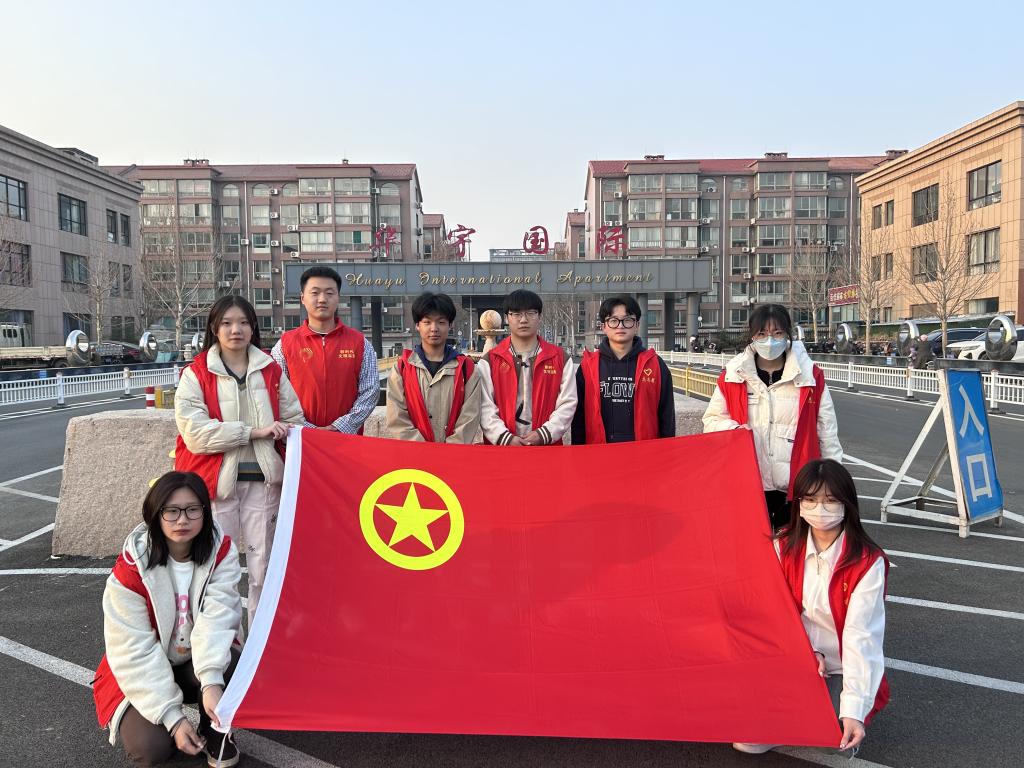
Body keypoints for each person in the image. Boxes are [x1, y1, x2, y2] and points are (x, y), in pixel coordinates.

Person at [733, 459, 888, 756]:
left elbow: (861, 638)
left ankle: (798, 716)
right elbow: (769, 614)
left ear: (847, 504)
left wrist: (853, 711)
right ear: (799, 504)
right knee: (744, 737)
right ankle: (781, 719)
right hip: (791, 657)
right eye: (811, 499)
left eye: (830, 500)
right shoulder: (782, 546)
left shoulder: (867, 563)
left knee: (834, 740)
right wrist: (805, 651)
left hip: (837, 667)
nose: (820, 508)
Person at [93, 471, 244, 767]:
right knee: (150, 748)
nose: (182, 520)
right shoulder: (130, 570)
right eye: (171, 511)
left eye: (192, 509)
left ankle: (215, 730)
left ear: (205, 512)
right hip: (147, 664)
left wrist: (212, 683)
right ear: (155, 514)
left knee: (234, 663)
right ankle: (175, 734)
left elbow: (218, 619)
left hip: (193, 661)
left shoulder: (220, 553)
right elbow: (134, 648)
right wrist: (173, 719)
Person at [175, 295, 304, 625]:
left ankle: (260, 643)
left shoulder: (271, 370)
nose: (236, 330)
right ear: (214, 328)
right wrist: (254, 432)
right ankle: (222, 644)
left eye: (244, 322)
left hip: (265, 484)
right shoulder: (196, 374)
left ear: (253, 328)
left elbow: (295, 420)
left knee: (265, 568)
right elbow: (195, 434)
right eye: (227, 323)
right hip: (217, 486)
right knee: (219, 570)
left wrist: (285, 430)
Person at [702, 303, 842, 530]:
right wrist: (734, 430)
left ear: (787, 334)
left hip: (799, 486)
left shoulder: (810, 377)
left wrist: (834, 481)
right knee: (752, 546)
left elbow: (827, 432)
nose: (770, 341)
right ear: (752, 336)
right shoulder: (733, 376)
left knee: (793, 548)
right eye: (762, 334)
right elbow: (711, 421)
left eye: (777, 333)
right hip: (749, 483)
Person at [271, 266, 379, 434]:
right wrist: (308, 429)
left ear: (338, 297)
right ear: (302, 298)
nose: (322, 299)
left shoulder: (360, 343)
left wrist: (340, 427)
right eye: (315, 293)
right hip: (299, 438)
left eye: (329, 293)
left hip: (347, 439)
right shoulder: (285, 344)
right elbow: (277, 393)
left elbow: (370, 391)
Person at [477, 289, 577, 446]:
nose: (523, 320)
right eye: (516, 314)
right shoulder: (490, 360)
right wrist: (505, 438)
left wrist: (544, 434)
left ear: (539, 316)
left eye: (531, 313)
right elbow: (484, 407)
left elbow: (568, 403)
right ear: (507, 318)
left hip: (547, 448)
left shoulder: (559, 358)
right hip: (501, 450)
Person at [571, 295, 675, 444]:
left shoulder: (655, 365)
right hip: (599, 451)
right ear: (604, 326)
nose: (620, 326)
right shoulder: (588, 366)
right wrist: (578, 451)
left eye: (627, 320)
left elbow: (667, 416)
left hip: (643, 452)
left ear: (637, 325)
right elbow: (578, 417)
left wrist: (667, 451)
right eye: (613, 320)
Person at [386, 291, 482, 443]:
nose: (434, 328)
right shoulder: (402, 368)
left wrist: (447, 451)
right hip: (415, 454)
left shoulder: (466, 369)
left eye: (441, 322)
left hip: (454, 453)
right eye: (427, 322)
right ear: (417, 325)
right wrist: (425, 451)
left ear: (450, 325)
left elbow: (470, 416)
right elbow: (397, 417)